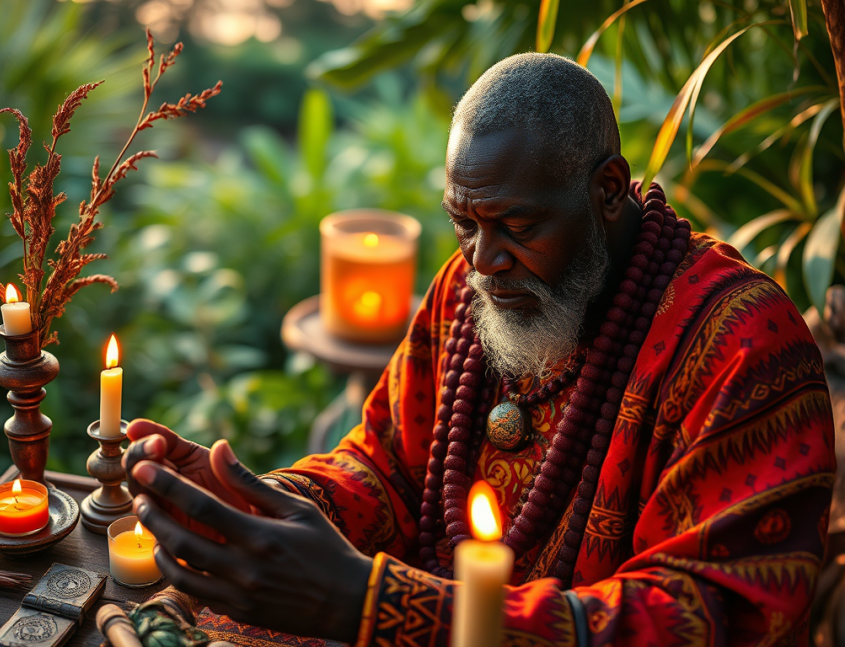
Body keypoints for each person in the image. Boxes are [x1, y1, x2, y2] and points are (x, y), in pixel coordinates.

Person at [123, 53, 836, 646]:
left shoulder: (742, 345)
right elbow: (386, 465)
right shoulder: (471, 292)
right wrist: (256, 503)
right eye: (463, 223)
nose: (482, 260)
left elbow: (703, 618)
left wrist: (377, 605)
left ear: (607, 190)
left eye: (516, 224)